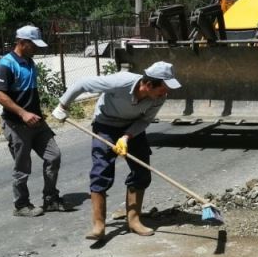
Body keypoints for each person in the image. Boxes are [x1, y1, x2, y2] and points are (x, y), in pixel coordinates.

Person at [52, 62, 181, 240]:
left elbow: (145, 121)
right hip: (105, 124)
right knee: (101, 170)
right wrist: (62, 106)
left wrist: (126, 136)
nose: (166, 93)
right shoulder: (120, 82)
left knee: (142, 171)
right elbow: (82, 84)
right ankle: (99, 225)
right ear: (149, 84)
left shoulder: (158, 98)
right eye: (164, 88)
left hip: (131, 127)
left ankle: (134, 221)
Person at [0, 25, 69, 217]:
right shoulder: (7, 64)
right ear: (22, 42)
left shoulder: (29, 62)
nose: (36, 48)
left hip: (37, 123)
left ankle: (50, 198)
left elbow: (30, 94)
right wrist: (23, 114)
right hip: (17, 125)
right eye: (33, 45)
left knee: (54, 156)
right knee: (23, 167)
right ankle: (21, 205)